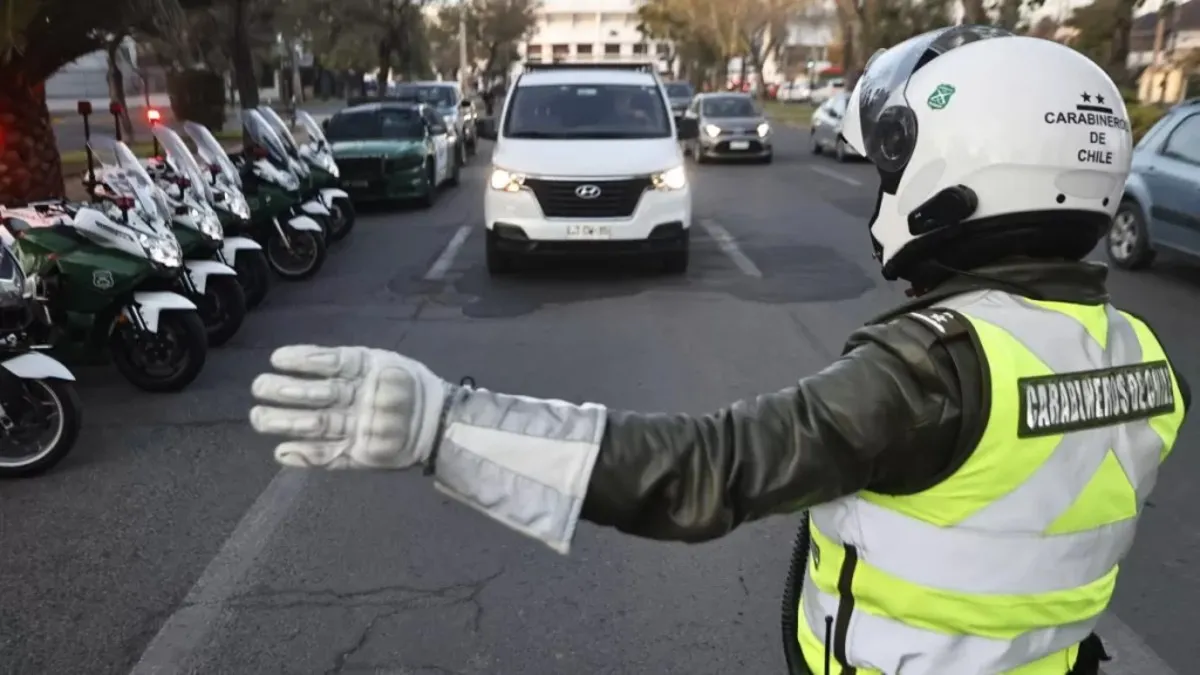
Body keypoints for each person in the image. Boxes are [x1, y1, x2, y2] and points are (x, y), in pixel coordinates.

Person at [249, 26, 1189, 675]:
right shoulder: (1145, 360)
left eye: (896, 167)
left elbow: (706, 468)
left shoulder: (934, 370)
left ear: (960, 177)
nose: (883, 190)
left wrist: (443, 426)